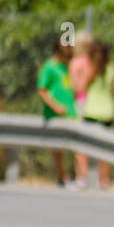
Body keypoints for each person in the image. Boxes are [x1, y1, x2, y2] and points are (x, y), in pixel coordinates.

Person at [36, 35, 75, 187]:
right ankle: (62, 178)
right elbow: (41, 90)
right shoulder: (49, 67)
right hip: (55, 115)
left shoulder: (65, 67)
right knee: (58, 149)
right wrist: (56, 107)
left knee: (73, 148)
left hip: (69, 113)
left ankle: (73, 177)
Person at [82, 39, 114, 189]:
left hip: (91, 110)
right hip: (107, 111)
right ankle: (104, 180)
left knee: (86, 147)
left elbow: (82, 87)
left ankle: (85, 178)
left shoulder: (90, 68)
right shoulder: (111, 68)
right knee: (105, 149)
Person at [68, 29, 95, 191]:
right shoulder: (92, 61)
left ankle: (81, 177)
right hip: (93, 103)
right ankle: (97, 178)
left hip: (79, 102)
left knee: (79, 141)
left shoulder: (76, 62)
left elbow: (75, 87)